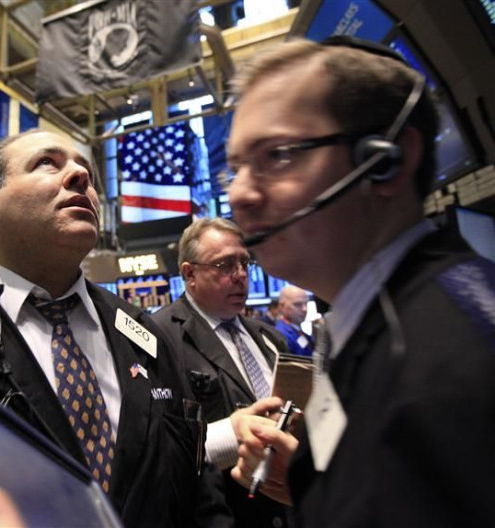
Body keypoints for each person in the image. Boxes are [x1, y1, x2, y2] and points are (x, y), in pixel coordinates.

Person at [0, 129, 231, 527]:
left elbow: (199, 494)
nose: (80, 177)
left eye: (85, 169)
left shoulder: (142, 333)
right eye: (47, 163)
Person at [225, 36, 495, 527]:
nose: (239, 194)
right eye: (235, 167)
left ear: (386, 160)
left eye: (278, 155)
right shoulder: (381, 327)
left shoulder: (455, 362)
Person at [151, 218, 291, 528]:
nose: (241, 275)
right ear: (190, 274)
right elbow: (159, 450)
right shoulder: (159, 338)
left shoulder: (269, 337)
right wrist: (234, 434)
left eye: (244, 263)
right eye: (225, 265)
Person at [275, 285, 313, 356]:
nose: (305, 309)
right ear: (282, 306)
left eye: (306, 303)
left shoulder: (297, 330)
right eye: (297, 304)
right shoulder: (281, 336)